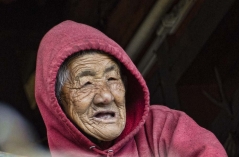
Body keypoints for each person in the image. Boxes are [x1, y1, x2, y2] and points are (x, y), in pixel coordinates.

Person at [35, 20, 227, 157]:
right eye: (86, 84)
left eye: (112, 78)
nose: (106, 95)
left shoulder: (161, 129)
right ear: (57, 104)